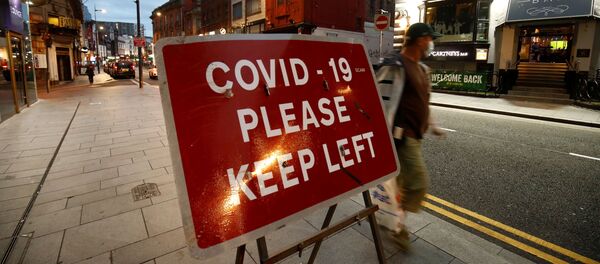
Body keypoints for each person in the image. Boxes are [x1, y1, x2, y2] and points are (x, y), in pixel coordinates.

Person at [376, 23, 446, 251]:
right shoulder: (395, 65)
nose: (432, 43)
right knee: (418, 183)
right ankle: (398, 224)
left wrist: (433, 125)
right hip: (400, 137)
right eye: (429, 38)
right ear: (419, 40)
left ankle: (392, 221)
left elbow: (423, 102)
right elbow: (378, 98)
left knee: (401, 184)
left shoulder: (423, 69)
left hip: (416, 136)